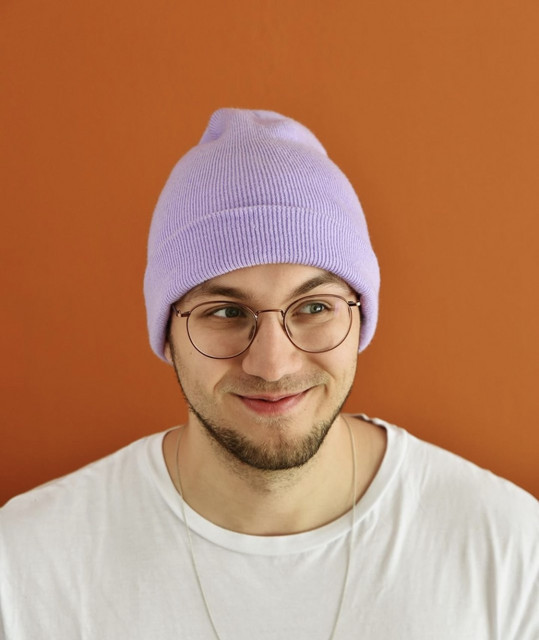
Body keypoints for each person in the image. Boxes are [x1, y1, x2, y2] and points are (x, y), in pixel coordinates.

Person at [0, 109, 537, 640]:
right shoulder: (26, 566)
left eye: (315, 308)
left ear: (361, 319)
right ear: (166, 332)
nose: (273, 364)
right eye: (226, 313)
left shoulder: (511, 548)